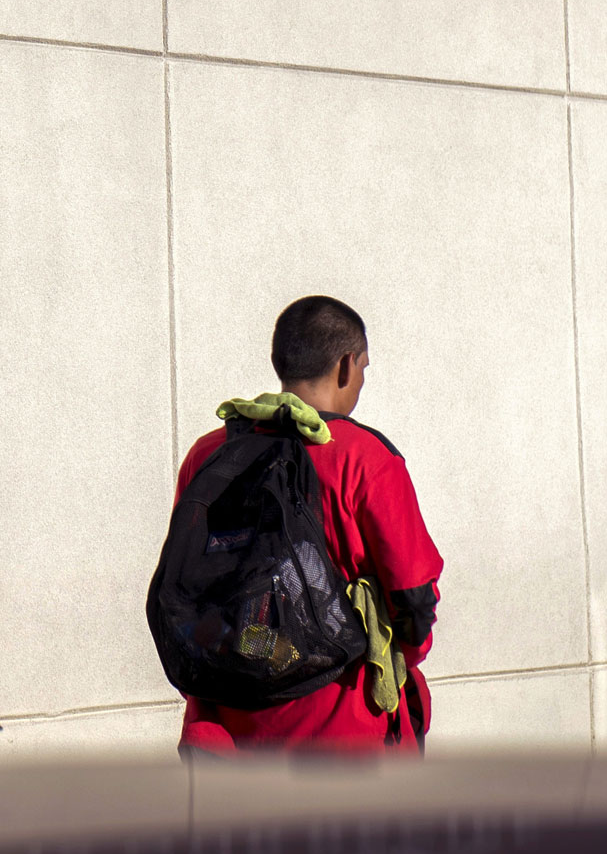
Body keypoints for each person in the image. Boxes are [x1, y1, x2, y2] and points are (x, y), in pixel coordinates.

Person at [175, 295, 443, 753]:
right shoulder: (364, 458)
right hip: (343, 730)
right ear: (345, 366)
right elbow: (413, 598)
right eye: (363, 366)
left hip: (227, 730)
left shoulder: (209, 454)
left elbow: (188, 586)